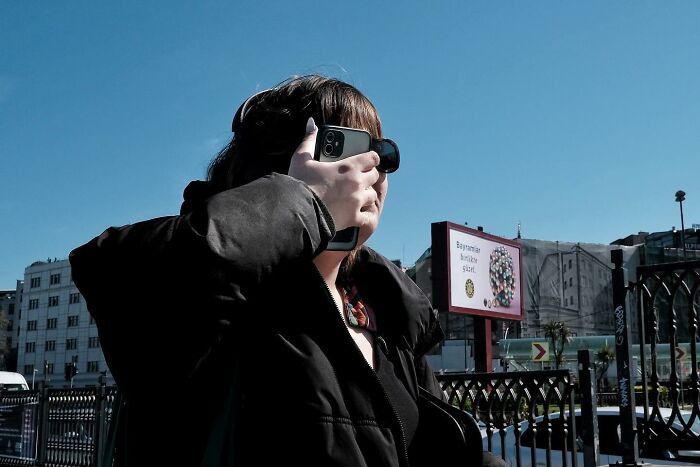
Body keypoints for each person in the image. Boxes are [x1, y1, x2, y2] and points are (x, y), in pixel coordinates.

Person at [70, 74, 504, 466]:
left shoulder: (389, 313)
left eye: (381, 153)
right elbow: (117, 276)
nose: (370, 171)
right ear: (279, 165)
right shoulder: (224, 300)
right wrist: (305, 202)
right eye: (345, 150)